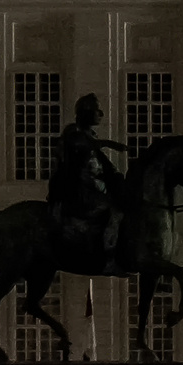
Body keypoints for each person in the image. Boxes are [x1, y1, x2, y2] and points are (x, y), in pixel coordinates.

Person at [48, 94, 131, 268]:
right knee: (114, 212)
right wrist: (110, 144)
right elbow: (85, 146)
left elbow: (101, 163)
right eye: (97, 111)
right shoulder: (74, 133)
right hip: (78, 190)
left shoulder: (88, 135)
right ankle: (109, 258)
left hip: (93, 186)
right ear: (86, 114)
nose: (100, 115)